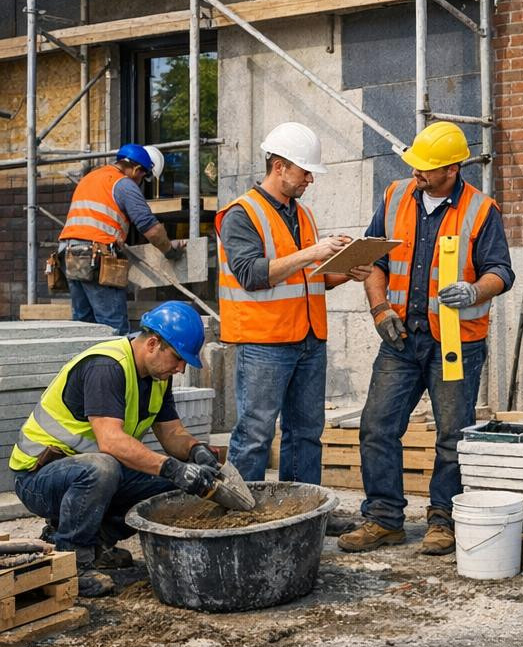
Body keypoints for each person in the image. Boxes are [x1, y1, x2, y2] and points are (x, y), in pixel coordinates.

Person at [339, 122, 512, 556]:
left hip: (455, 341)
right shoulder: (396, 196)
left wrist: (476, 289)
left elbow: (501, 272)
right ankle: (383, 519)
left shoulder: (481, 209)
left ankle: (444, 520)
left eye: (426, 168)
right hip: (400, 338)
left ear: (452, 169)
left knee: (453, 436)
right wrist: (380, 309)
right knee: (376, 426)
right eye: (414, 165)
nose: (416, 173)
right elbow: (373, 257)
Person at [215, 122, 373, 528]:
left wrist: (343, 272)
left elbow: (308, 278)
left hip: (307, 339)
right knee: (254, 434)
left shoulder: (302, 214)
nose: (310, 180)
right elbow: (252, 274)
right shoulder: (241, 214)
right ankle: (241, 519)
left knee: (306, 434)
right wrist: (314, 253)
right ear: (280, 166)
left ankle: (305, 514)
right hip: (264, 341)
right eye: (305, 172)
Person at [9, 302, 221, 598]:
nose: (181, 368)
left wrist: (196, 452)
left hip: (81, 475)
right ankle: (71, 560)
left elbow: (172, 433)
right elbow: (110, 442)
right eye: (177, 358)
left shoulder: (158, 377)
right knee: (104, 468)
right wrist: (174, 468)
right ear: (152, 344)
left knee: (168, 487)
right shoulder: (106, 367)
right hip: (38, 479)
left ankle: (97, 545)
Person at [59, 144, 185, 333]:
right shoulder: (123, 183)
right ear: (136, 169)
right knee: (113, 326)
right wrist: (170, 250)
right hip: (94, 256)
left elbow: (94, 220)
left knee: (84, 324)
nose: (141, 180)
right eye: (143, 175)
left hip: (69, 254)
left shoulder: (91, 177)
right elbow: (150, 228)